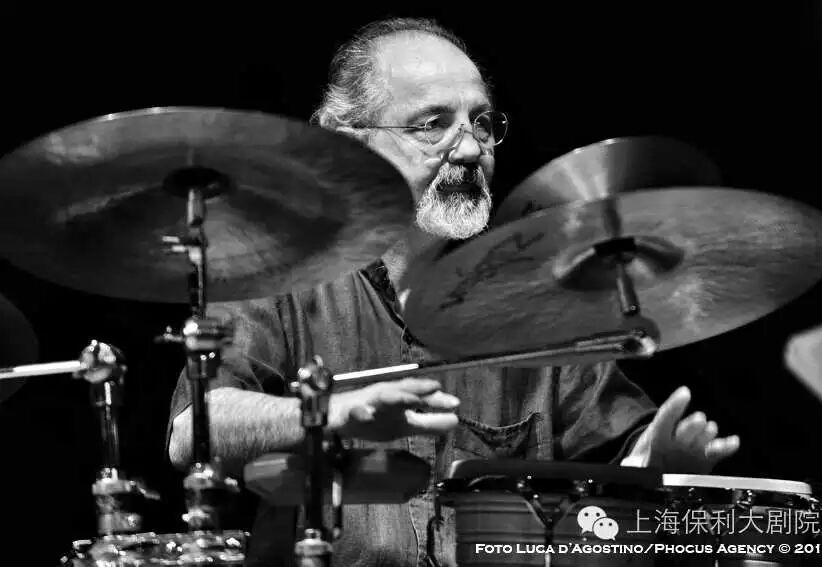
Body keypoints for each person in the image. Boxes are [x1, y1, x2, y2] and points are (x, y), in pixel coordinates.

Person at [167, 17, 740, 567]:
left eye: (481, 123)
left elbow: (615, 464)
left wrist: (652, 464)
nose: (469, 150)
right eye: (432, 124)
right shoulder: (280, 274)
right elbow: (193, 433)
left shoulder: (532, 304)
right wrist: (332, 413)